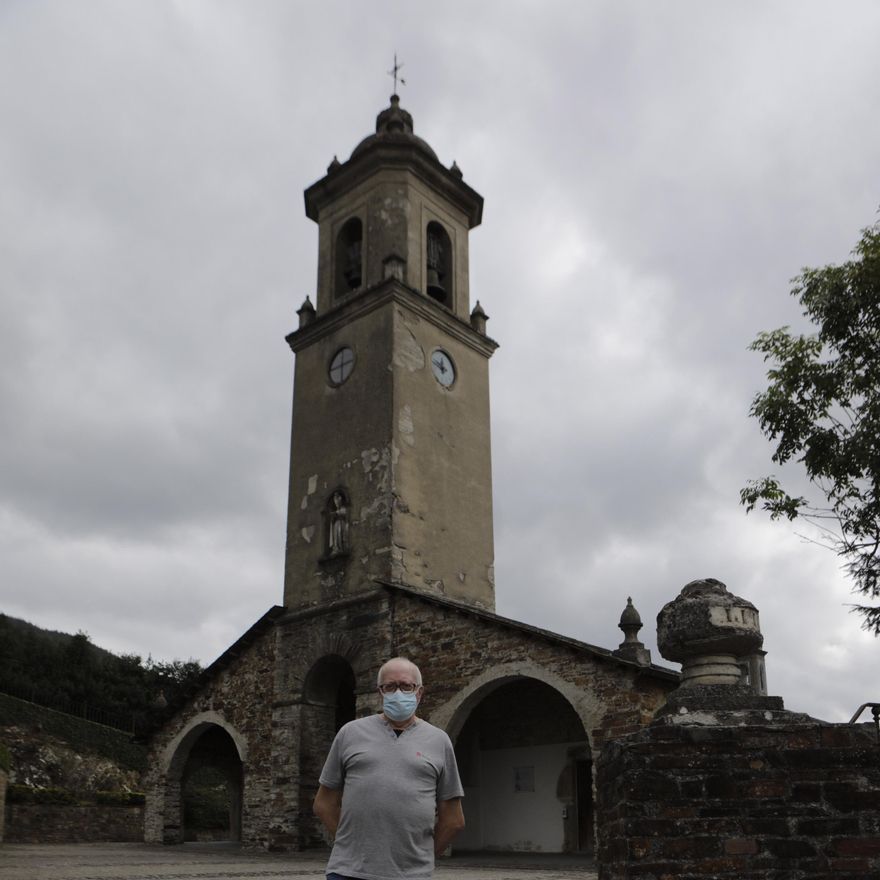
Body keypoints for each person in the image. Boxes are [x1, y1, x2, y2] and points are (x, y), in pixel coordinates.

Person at [313, 656, 465, 880]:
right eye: (390, 686)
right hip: (348, 872)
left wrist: (423, 856)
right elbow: (324, 803)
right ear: (380, 692)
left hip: (411, 875)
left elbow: (453, 819)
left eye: (406, 686)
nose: (398, 693)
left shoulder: (439, 741)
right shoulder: (350, 733)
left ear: (419, 692)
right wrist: (350, 845)